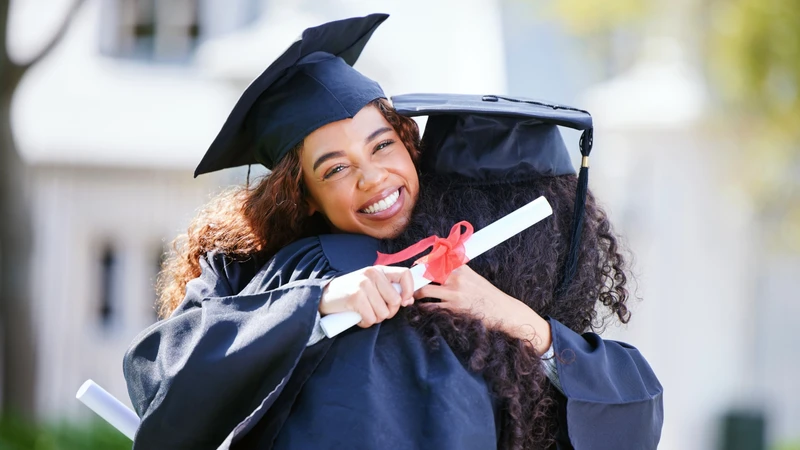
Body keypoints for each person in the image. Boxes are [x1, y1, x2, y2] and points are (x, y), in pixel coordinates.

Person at [123, 14, 663, 450]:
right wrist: (320, 301)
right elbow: (163, 372)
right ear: (302, 192)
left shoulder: (465, 264)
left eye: (382, 145)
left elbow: (634, 402)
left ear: (410, 145)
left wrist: (511, 315)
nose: (373, 178)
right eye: (335, 168)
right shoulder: (261, 267)